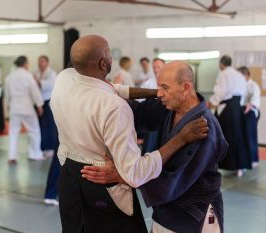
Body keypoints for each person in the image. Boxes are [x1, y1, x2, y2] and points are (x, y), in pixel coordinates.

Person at [50, 35, 209, 233]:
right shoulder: (114, 107)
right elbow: (134, 174)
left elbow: (113, 88)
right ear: (103, 63)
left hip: (69, 177)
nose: (111, 58)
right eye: (109, 54)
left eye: (166, 87)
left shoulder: (64, 78)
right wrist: (181, 138)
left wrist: (154, 92)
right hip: (102, 179)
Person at [82, 61, 228, 233]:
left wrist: (122, 175)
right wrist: (107, 91)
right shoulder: (170, 106)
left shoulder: (203, 128)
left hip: (193, 216)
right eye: (158, 86)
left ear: (186, 87)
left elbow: (172, 183)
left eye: (165, 88)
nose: (159, 94)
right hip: (166, 212)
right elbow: (139, 112)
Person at [208, 55, 250, 177]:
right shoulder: (239, 75)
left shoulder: (223, 74)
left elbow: (220, 91)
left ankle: (225, 165)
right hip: (238, 107)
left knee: (225, 136)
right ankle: (240, 167)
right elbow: (244, 92)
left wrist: (212, 103)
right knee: (238, 136)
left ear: (221, 64)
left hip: (227, 109)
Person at [4, 56, 44, 164]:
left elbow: (7, 93)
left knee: (13, 133)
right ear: (25, 64)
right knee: (34, 131)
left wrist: (7, 105)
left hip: (14, 107)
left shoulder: (9, 77)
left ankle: (12, 157)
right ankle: (35, 154)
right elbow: (34, 91)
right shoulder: (28, 76)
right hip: (27, 107)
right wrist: (39, 105)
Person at [33, 55, 58, 158]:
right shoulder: (36, 73)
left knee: (48, 126)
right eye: (39, 61)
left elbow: (48, 85)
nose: (40, 63)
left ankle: (50, 148)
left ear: (47, 63)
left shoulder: (52, 74)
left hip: (48, 103)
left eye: (42, 61)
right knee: (39, 126)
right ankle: (42, 147)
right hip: (38, 102)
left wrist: (36, 80)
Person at [238, 66, 261, 168]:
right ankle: (244, 159)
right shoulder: (239, 85)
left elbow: (255, 98)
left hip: (251, 111)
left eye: (241, 76)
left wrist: (250, 105)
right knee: (241, 136)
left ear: (247, 75)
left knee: (250, 135)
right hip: (241, 110)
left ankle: (254, 159)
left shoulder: (253, 85)